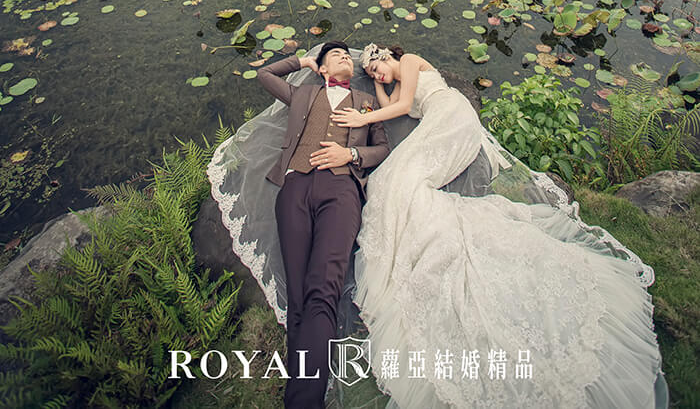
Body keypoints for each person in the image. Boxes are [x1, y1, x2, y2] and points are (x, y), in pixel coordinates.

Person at [331, 43, 670, 409]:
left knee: (399, 177)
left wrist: (364, 115)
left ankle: (424, 231)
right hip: (433, 123)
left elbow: (399, 106)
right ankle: (422, 231)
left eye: (377, 66)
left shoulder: (410, 61)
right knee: (391, 179)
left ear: (389, 56)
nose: (377, 74)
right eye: (373, 71)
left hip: (451, 116)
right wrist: (377, 80)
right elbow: (390, 103)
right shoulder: (394, 84)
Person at [256, 40, 391, 409]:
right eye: (335, 55)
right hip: (295, 188)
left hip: (341, 192)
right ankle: (303, 394)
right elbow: (264, 74)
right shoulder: (303, 94)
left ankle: (303, 401)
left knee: (323, 290)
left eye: (347, 55)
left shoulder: (366, 101)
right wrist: (303, 60)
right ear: (323, 68)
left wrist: (351, 153)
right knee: (298, 298)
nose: (345, 56)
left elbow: (382, 148)